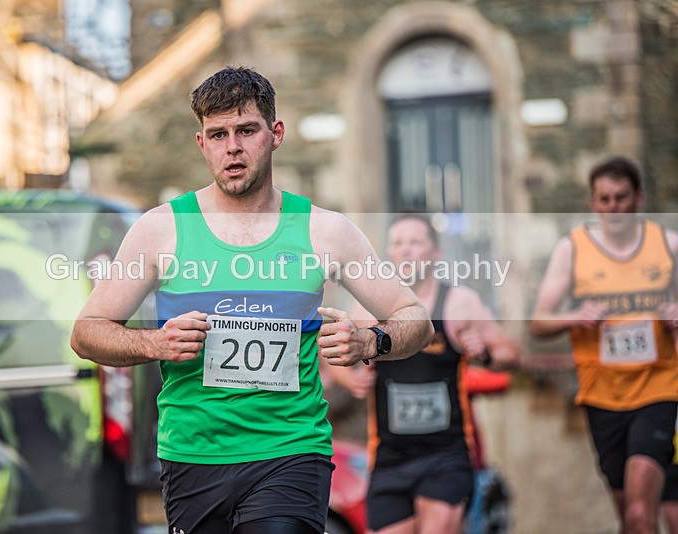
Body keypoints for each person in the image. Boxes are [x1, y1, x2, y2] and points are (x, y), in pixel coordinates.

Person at [70, 66, 433, 534]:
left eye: (246, 130)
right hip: (194, 454)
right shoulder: (161, 229)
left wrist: (370, 341)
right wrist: (154, 344)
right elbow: (86, 332)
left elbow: (415, 320)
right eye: (217, 135)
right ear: (201, 143)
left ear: (275, 134)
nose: (232, 147)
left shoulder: (325, 230)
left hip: (291, 451)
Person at [328, 214, 518, 534]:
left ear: (435, 253)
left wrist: (483, 352)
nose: (406, 250)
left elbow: (511, 356)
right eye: (398, 243)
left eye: (416, 242)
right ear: (389, 253)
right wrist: (351, 376)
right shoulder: (368, 309)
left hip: (445, 453)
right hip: (389, 457)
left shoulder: (460, 303)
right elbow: (330, 364)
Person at [530, 156, 678, 534]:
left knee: (642, 513)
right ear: (593, 202)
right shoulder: (573, 249)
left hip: (659, 390)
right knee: (628, 518)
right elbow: (538, 322)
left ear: (638, 198)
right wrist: (574, 317)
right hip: (602, 398)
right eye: (604, 199)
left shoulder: (667, 244)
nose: (613, 208)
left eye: (621, 198)